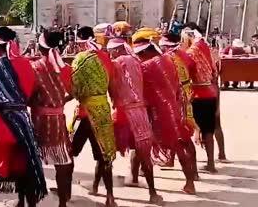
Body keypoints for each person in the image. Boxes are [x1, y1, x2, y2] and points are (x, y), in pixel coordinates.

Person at [0, 27, 47, 207]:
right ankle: (26, 203)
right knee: (25, 168)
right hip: (22, 123)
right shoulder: (27, 64)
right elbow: (32, 92)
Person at [134, 37, 196, 194]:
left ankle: (135, 178)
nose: (139, 57)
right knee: (181, 145)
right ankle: (190, 182)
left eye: (140, 54)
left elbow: (140, 89)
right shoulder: (168, 60)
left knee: (141, 144)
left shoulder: (146, 66)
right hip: (174, 108)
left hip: (157, 112)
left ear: (146, 51)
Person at [106, 38, 162, 204]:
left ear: (115, 51)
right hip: (140, 112)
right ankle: (153, 194)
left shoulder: (113, 64)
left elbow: (110, 89)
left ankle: (106, 194)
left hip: (122, 112)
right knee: (143, 153)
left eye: (111, 51)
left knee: (106, 155)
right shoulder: (138, 62)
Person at [70, 26, 117, 207]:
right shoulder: (106, 57)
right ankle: (109, 196)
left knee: (69, 152)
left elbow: (74, 88)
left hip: (85, 112)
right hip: (103, 110)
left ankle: (66, 191)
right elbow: (111, 85)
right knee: (104, 154)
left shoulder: (81, 59)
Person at [29, 31, 73, 207]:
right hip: (59, 120)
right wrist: (58, 103)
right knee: (61, 162)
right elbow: (74, 91)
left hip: (40, 121)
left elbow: (29, 95)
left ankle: (29, 203)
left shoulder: (35, 67)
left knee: (32, 163)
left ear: (40, 47)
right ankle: (62, 203)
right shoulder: (65, 67)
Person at [182, 24, 226, 169]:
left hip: (197, 94)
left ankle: (192, 170)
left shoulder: (191, 52)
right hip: (210, 92)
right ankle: (211, 163)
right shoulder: (207, 49)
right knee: (209, 130)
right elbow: (214, 74)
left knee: (187, 130)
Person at [159, 34, 199, 175]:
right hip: (186, 94)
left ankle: (192, 174)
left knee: (182, 136)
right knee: (180, 133)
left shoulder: (167, 58)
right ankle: (188, 169)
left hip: (176, 98)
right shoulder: (185, 55)